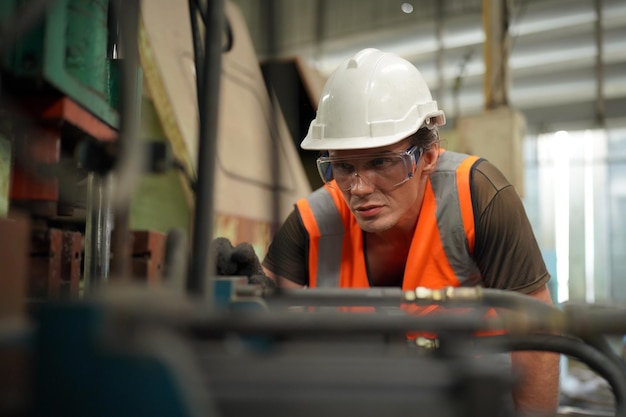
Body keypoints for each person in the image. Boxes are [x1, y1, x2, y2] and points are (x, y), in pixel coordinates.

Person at [260, 48, 560, 415]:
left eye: (381, 162)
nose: (358, 187)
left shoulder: (477, 196)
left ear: (429, 156)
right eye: (342, 166)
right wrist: (235, 285)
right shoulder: (312, 222)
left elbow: (535, 334)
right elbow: (262, 320)